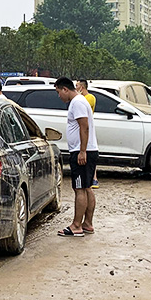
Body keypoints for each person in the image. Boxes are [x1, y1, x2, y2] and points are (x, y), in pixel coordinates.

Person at [55, 77, 98, 237]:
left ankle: (76, 226)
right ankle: (87, 224)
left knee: (79, 189)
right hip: (87, 150)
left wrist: (82, 151)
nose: (59, 96)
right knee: (87, 188)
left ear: (65, 89)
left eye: (59, 92)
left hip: (82, 151)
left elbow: (84, 126)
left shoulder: (77, 102)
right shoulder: (79, 101)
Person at [75, 79, 98, 188]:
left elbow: (82, 110)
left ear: (82, 87)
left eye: (77, 85)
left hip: (87, 129)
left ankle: (94, 178)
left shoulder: (89, 98)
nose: (75, 88)